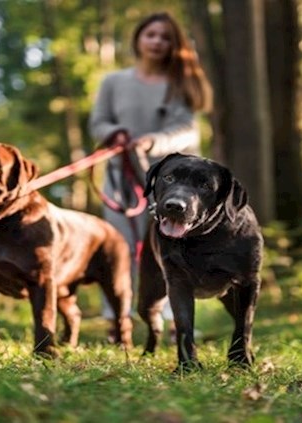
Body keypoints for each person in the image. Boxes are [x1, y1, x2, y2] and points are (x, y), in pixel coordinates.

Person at [88, 11, 213, 341]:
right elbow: (99, 122)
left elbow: (186, 129)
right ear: (139, 39)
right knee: (120, 250)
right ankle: (119, 320)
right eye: (151, 35)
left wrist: (154, 141)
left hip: (172, 184)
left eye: (165, 37)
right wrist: (114, 133)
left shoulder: (180, 85)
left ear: (175, 45)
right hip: (121, 179)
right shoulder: (113, 82)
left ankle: (175, 320)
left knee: (171, 248)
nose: (157, 41)